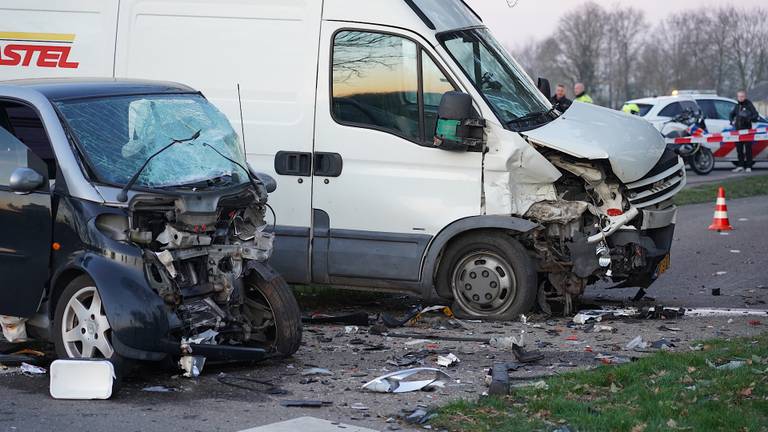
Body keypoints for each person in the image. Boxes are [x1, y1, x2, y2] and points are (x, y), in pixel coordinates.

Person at [729, 90, 759, 173]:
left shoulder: (749, 104)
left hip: (747, 131)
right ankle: (740, 166)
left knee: (748, 149)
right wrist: (731, 121)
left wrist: (749, 118)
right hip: (738, 131)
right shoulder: (737, 105)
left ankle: (749, 166)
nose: (740, 98)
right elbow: (731, 114)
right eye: (739, 96)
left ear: (745, 97)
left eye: (742, 96)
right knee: (739, 149)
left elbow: (756, 115)